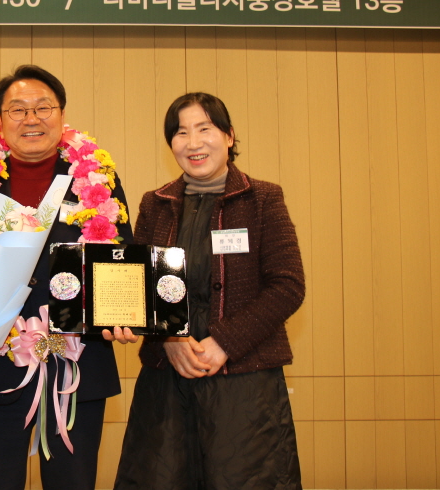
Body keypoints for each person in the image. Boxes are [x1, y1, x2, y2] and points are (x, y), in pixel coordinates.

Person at [0, 65, 133, 490]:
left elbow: (117, 255)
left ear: (62, 115)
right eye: (17, 109)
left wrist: (122, 314)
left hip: (77, 363)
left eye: (43, 107)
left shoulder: (97, 179)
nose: (31, 118)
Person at [104, 92, 304, 490]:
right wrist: (167, 339)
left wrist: (225, 342)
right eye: (181, 133)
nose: (193, 142)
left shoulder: (263, 198)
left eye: (204, 129)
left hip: (245, 382)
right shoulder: (156, 203)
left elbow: (288, 285)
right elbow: (138, 287)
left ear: (229, 136)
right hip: (167, 380)